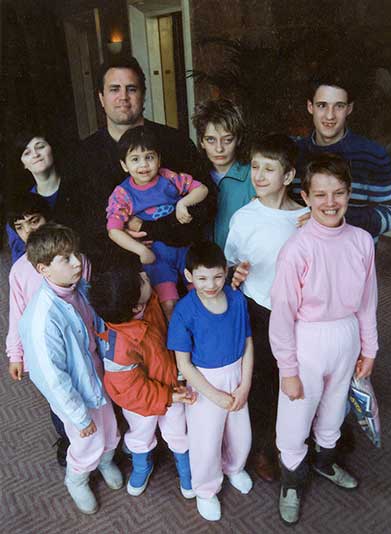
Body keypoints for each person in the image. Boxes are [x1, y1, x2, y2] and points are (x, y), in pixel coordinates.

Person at [269, 154, 378, 525]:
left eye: (339, 193)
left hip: (346, 335)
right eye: (320, 195)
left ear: (349, 195)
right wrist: (288, 369)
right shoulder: (297, 249)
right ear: (305, 197)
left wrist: (369, 348)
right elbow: (282, 315)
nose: (330, 203)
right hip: (308, 341)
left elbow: (368, 300)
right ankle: (292, 483)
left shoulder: (362, 241)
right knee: (296, 416)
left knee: (334, 408)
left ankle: (325, 463)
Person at [18, 223, 122, 515]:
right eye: (66, 259)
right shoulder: (41, 320)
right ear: (43, 269)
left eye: (75, 253)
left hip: (98, 376)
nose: (78, 262)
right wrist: (78, 416)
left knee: (110, 428)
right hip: (75, 395)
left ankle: (105, 461)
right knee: (86, 440)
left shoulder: (79, 288)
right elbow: (52, 379)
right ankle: (77, 478)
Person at [224, 134, 309, 481]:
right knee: (263, 381)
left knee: (298, 378)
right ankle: (265, 446)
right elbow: (230, 262)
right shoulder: (244, 218)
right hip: (259, 309)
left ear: (288, 176)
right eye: (255, 167)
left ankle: (300, 440)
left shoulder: (306, 217)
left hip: (301, 313)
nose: (258, 176)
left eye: (268, 169)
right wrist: (235, 273)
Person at [78, 56, 214, 271]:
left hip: (178, 259)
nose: (123, 97)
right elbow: (76, 218)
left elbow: (205, 206)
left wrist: (148, 228)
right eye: (114, 89)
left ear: (143, 96)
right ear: (101, 98)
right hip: (116, 270)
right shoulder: (84, 153)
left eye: (131, 89)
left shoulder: (176, 142)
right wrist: (123, 238)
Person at [89, 267, 196, 499]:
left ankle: (186, 468)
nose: (145, 275)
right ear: (135, 307)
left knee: (178, 430)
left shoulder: (147, 303)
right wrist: (167, 397)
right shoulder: (119, 346)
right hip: (141, 401)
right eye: (141, 280)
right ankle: (141, 464)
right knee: (141, 432)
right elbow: (129, 389)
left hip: (171, 385)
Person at [167, 242, 254, 522]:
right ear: (189, 276)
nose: (211, 284)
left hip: (237, 374)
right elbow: (183, 363)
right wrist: (214, 394)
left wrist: (245, 384)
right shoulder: (184, 311)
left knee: (241, 433)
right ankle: (206, 489)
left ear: (226, 272)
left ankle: (234, 467)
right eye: (202, 278)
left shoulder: (237, 300)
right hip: (204, 382)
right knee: (206, 440)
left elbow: (248, 342)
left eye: (217, 276)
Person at [6, 193, 91, 466]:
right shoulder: (19, 271)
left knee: (89, 385)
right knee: (59, 394)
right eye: (20, 226)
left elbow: (88, 300)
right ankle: (66, 438)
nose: (29, 231)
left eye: (34, 221)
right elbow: (16, 313)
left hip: (80, 337)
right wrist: (15, 354)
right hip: (46, 342)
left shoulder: (76, 261)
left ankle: (103, 443)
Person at [107, 126, 208, 319]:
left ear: (158, 159)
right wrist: (141, 250)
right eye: (135, 159)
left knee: (201, 294)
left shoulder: (168, 178)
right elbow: (113, 230)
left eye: (149, 157)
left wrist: (183, 203)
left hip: (184, 249)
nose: (143, 165)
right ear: (124, 165)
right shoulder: (123, 193)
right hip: (156, 256)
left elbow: (202, 189)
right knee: (169, 303)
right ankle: (178, 342)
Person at [294, 73, 391, 242]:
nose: (330, 116)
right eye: (322, 105)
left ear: (349, 108)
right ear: (310, 106)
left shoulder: (373, 155)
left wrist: (340, 218)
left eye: (339, 106)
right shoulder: (295, 153)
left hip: (354, 260)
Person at [7, 131, 80, 264]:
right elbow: (20, 258)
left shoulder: (80, 188)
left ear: (51, 149)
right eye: (27, 153)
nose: (35, 154)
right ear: (23, 163)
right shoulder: (20, 205)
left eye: (40, 147)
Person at [192, 99, 255, 249]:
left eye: (227, 140)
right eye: (211, 140)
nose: (219, 149)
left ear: (238, 139)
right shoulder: (193, 177)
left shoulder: (254, 176)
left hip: (243, 264)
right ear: (201, 141)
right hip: (204, 267)